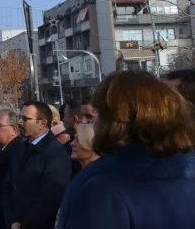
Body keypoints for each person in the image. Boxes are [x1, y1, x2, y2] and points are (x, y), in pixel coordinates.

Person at [56, 71, 195, 229]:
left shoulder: (103, 192)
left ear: (114, 121)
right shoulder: (186, 180)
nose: (92, 124)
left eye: (96, 115)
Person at [3, 101, 71, 229]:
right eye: (20, 117)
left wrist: (26, 225)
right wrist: (11, 221)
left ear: (42, 123)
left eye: (25, 119)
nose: (20, 122)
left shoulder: (55, 153)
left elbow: (51, 197)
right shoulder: (20, 149)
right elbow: (8, 187)